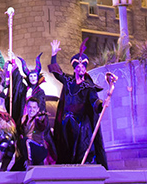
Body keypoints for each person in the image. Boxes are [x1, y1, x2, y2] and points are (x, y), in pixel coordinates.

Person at [48, 39, 115, 168]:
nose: (81, 69)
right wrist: (53, 55)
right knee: (65, 146)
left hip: (80, 122)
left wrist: (102, 104)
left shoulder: (88, 86)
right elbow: (56, 72)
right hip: (66, 121)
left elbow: (94, 101)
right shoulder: (68, 81)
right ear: (74, 68)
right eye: (78, 67)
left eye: (83, 67)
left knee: (81, 146)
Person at [17, 97, 52, 168]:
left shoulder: (40, 119)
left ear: (37, 109)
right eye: (30, 107)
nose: (31, 110)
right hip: (26, 149)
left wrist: (38, 120)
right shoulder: (23, 119)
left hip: (38, 149)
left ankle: (29, 163)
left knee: (26, 141)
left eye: (34, 107)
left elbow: (41, 127)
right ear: (26, 107)